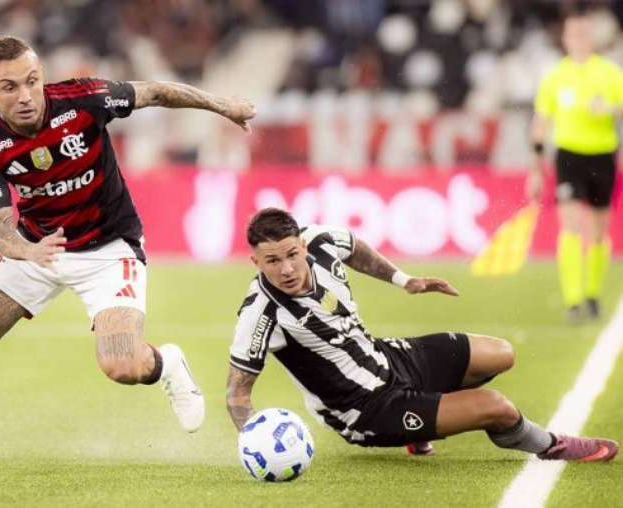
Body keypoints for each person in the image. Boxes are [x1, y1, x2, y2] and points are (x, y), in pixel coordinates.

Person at [0, 36, 256, 473]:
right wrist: (30, 250)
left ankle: (167, 365)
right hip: (35, 248)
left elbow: (156, 92)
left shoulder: (85, 99)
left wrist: (224, 106)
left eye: (32, 81)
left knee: (122, 365)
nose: (26, 96)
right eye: (10, 87)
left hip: (108, 246)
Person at [226, 207, 617, 462]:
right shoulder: (260, 314)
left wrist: (403, 280)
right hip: (365, 410)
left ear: (302, 244)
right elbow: (237, 394)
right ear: (255, 261)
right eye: (272, 262)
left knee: (501, 354)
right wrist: (255, 444)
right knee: (496, 407)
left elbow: (355, 247)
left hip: (387, 358)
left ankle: (424, 418)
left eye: (292, 254)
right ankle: (551, 445)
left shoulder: (322, 241)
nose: (287, 269)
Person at [529, 10, 623, 323]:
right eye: (573, 34)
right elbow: (541, 122)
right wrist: (535, 167)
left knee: (598, 232)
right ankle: (572, 299)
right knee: (569, 225)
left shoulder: (609, 73)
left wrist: (609, 108)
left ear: (592, 37)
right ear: (565, 38)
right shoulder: (555, 76)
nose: (579, 40)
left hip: (601, 155)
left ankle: (592, 293)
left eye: (584, 34)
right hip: (569, 156)